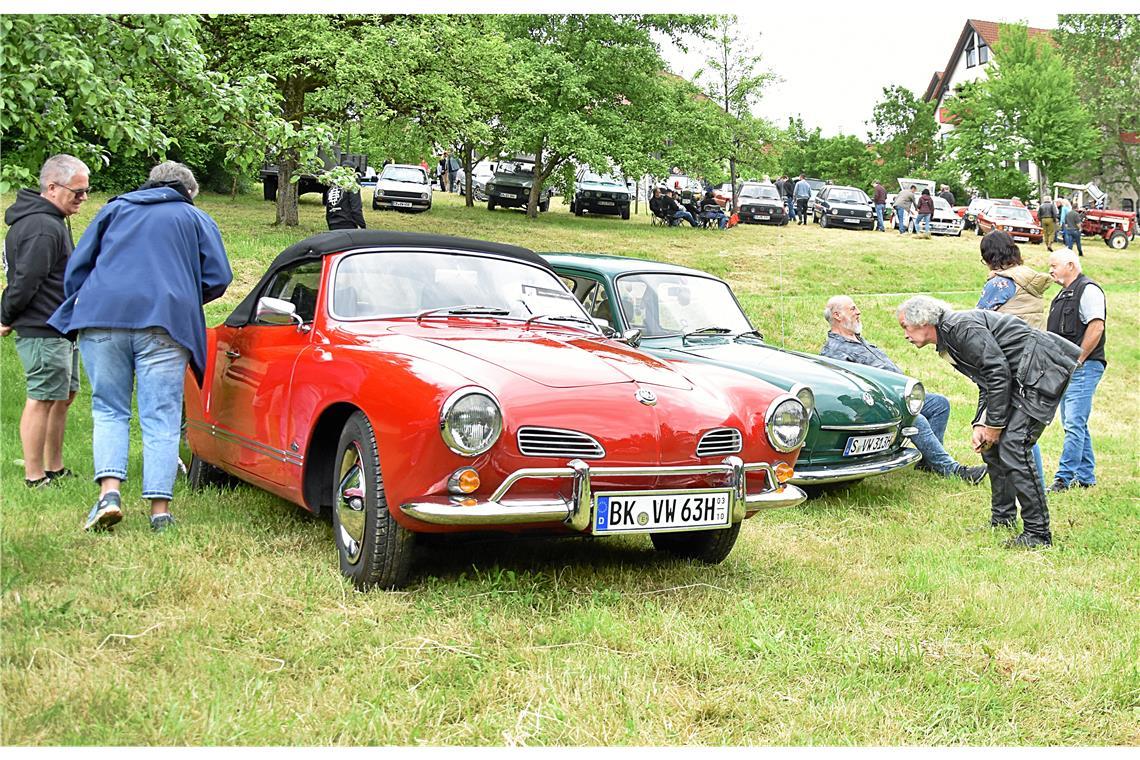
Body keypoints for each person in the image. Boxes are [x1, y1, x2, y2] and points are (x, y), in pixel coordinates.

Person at [48, 162, 233, 533]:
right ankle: (160, 512)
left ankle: (109, 496)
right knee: (160, 416)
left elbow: (77, 271)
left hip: (102, 318)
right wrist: (180, 296)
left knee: (109, 409)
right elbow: (219, 277)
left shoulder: (115, 209)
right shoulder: (195, 219)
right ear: (189, 192)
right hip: (164, 325)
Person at [896, 296, 1080, 548]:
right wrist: (980, 424)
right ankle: (1002, 518)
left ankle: (1038, 534)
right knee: (992, 447)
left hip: (1041, 371)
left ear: (924, 321)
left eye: (905, 326)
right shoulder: (949, 337)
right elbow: (987, 380)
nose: (904, 334)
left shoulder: (960, 328)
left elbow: (997, 372)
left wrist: (994, 424)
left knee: (1014, 445)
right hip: (1021, 376)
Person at [820, 296, 986, 484]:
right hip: (879, 404)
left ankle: (929, 461)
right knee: (917, 419)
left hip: (902, 396)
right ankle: (953, 470)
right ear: (837, 315)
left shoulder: (858, 340)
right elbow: (845, 391)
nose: (858, 312)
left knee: (939, 404)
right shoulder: (833, 351)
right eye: (853, 309)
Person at [1, 154, 90, 488]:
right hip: (43, 326)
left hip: (62, 326)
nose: (83, 198)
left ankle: (54, 466)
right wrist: (5, 316)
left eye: (86, 191)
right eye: (77, 191)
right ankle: (34, 475)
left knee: (63, 396)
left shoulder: (52, 220)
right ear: (52, 187)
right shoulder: (42, 227)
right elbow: (24, 281)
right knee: (41, 398)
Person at [975, 230, 1052, 484]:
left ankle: (1026, 486)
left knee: (1013, 432)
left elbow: (976, 319)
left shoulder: (1001, 283)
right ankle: (1034, 483)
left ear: (989, 256)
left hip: (1012, 362)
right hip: (1036, 361)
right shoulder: (1028, 279)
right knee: (1024, 431)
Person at [1046, 249, 1107, 493]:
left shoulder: (1088, 289)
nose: (1050, 270)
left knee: (1073, 423)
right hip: (1068, 368)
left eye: (1054, 265)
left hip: (1083, 366)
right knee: (1076, 423)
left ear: (1070, 265)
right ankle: (1085, 477)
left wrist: (1078, 359)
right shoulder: (1063, 294)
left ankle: (1063, 478)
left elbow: (1096, 326)